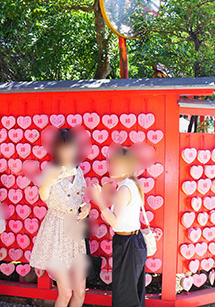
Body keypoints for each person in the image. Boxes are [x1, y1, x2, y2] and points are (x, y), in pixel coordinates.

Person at [29, 127, 91, 307]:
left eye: (71, 147)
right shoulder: (51, 171)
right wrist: (49, 182)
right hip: (56, 234)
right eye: (63, 148)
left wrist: (86, 208)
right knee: (65, 293)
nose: (68, 152)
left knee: (80, 292)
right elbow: (43, 194)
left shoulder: (78, 171)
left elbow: (82, 198)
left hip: (76, 234)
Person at [90, 145, 149, 307]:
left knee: (125, 295)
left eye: (116, 164)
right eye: (111, 163)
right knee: (132, 293)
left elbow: (115, 221)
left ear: (126, 168)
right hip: (132, 241)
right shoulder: (128, 185)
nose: (111, 167)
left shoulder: (124, 188)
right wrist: (109, 195)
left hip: (128, 243)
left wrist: (99, 201)